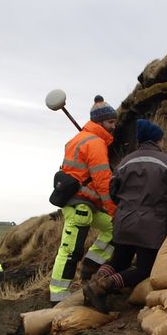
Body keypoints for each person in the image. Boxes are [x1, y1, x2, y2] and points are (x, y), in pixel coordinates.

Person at [84, 119, 167, 312]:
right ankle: (102, 287)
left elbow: (112, 191)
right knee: (145, 270)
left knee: (119, 260)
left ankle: (94, 282)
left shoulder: (125, 162)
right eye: (162, 139)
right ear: (157, 140)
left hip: (123, 221)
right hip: (150, 226)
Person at [48, 96, 118, 302]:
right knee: (70, 251)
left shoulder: (79, 140)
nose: (114, 126)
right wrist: (113, 210)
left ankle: (90, 265)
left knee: (115, 229)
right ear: (100, 122)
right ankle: (58, 297)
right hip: (80, 205)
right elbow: (103, 181)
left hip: (85, 204)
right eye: (111, 122)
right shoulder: (95, 144)